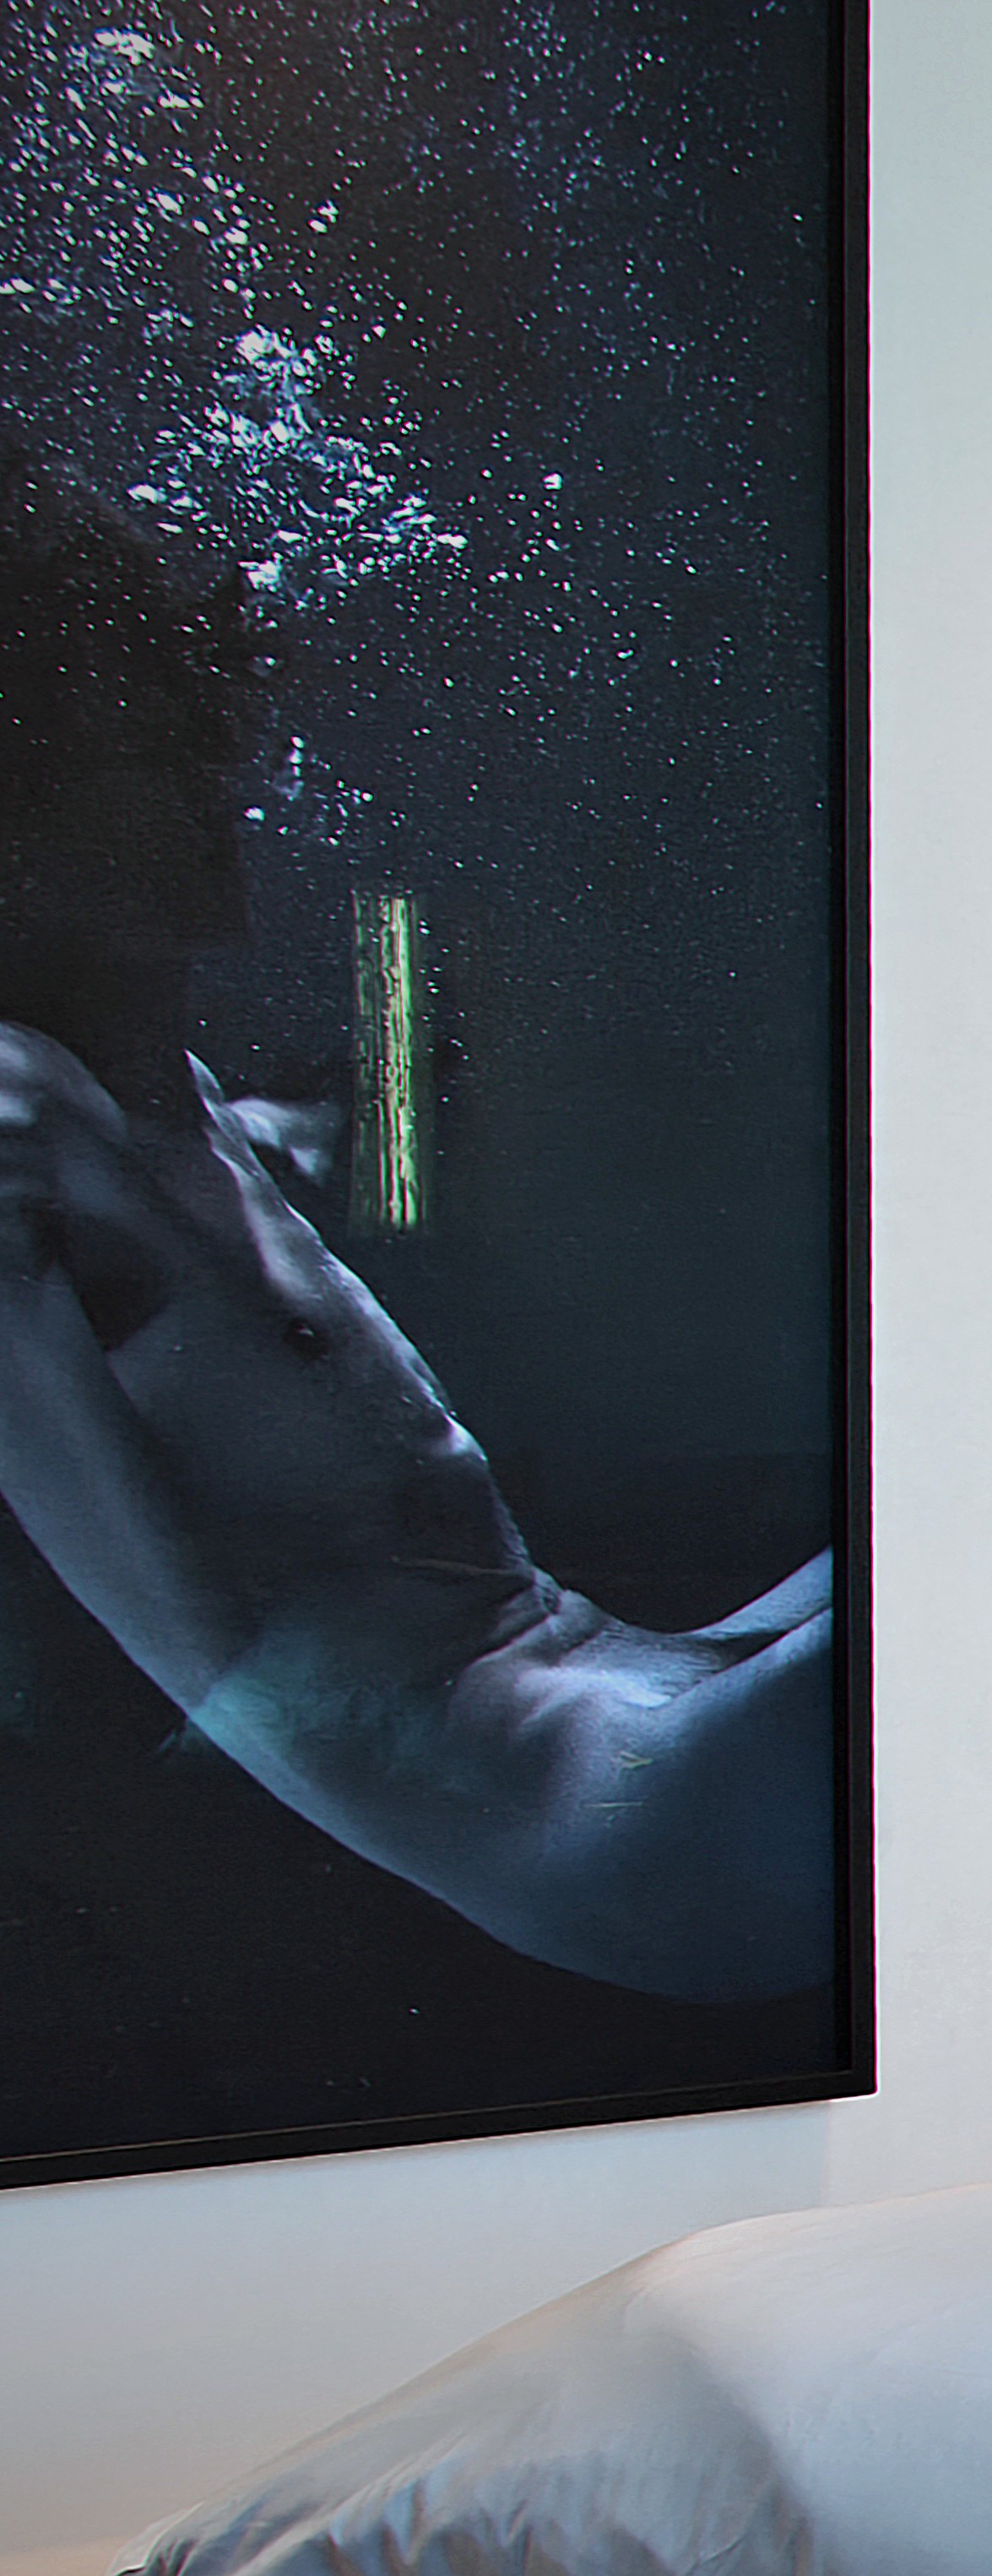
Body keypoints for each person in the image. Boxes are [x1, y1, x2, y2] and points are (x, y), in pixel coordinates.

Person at [0, 439, 832, 2006]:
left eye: (204, 752)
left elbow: (398, 1122)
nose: (221, 799)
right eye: (149, 762)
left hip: (630, 1686)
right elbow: (214, 1669)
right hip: (608, 1819)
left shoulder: (206, 1123)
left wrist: (407, 899)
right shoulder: (23, 1120)